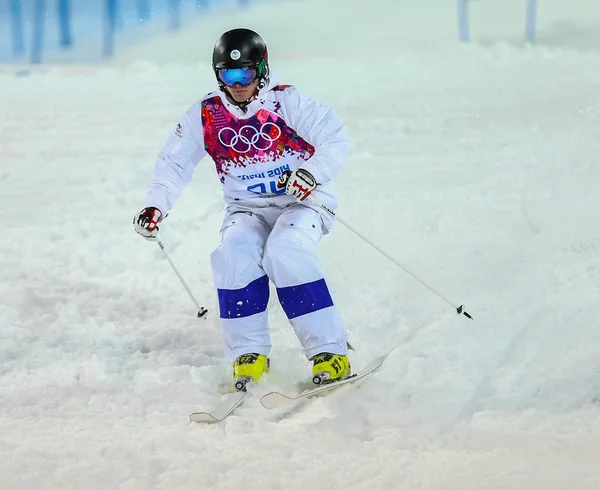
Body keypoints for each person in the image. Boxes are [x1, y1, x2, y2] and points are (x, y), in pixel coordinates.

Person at [133, 28, 351, 390]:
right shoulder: (207, 115)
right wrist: (156, 205)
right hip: (246, 208)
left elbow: (335, 137)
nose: (236, 84)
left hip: (303, 201)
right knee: (233, 254)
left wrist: (311, 173)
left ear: (261, 70)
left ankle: (330, 351)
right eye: (227, 75)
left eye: (244, 74)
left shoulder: (287, 102)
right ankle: (248, 355)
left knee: (284, 252)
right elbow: (174, 164)